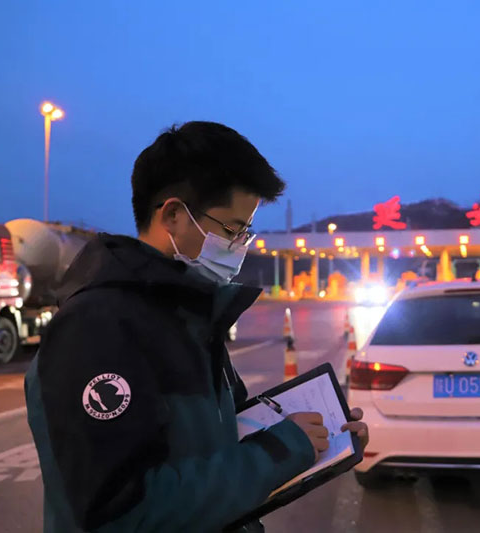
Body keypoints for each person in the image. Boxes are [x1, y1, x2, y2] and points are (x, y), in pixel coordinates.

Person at [25, 121, 368, 532]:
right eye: (232, 229)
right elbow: (121, 513)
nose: (240, 246)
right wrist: (281, 448)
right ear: (173, 215)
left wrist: (320, 440)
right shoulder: (97, 328)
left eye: (246, 232)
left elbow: (213, 452)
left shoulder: (189, 316)